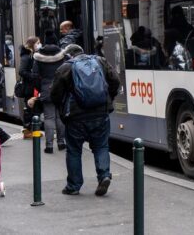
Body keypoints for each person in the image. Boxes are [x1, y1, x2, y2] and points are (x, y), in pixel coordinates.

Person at [50, 44, 120, 196]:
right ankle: (104, 176)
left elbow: (55, 95)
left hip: (76, 117)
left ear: (68, 55)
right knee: (101, 146)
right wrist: (108, 100)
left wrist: (63, 111)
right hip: (100, 113)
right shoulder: (100, 61)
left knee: (74, 150)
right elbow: (115, 81)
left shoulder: (65, 68)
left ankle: (74, 186)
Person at [30, 41, 67, 153]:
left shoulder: (39, 58)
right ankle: (61, 143)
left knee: (48, 118)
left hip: (46, 89)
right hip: (60, 88)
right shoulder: (62, 56)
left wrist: (41, 87)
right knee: (60, 117)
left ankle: (49, 145)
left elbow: (35, 76)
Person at [17, 36, 41, 139]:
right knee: (30, 109)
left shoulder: (32, 55)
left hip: (33, 86)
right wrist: (33, 75)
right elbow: (21, 71)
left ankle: (34, 131)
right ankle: (27, 131)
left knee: (34, 109)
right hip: (29, 87)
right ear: (32, 45)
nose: (39, 45)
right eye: (37, 43)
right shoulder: (26, 57)